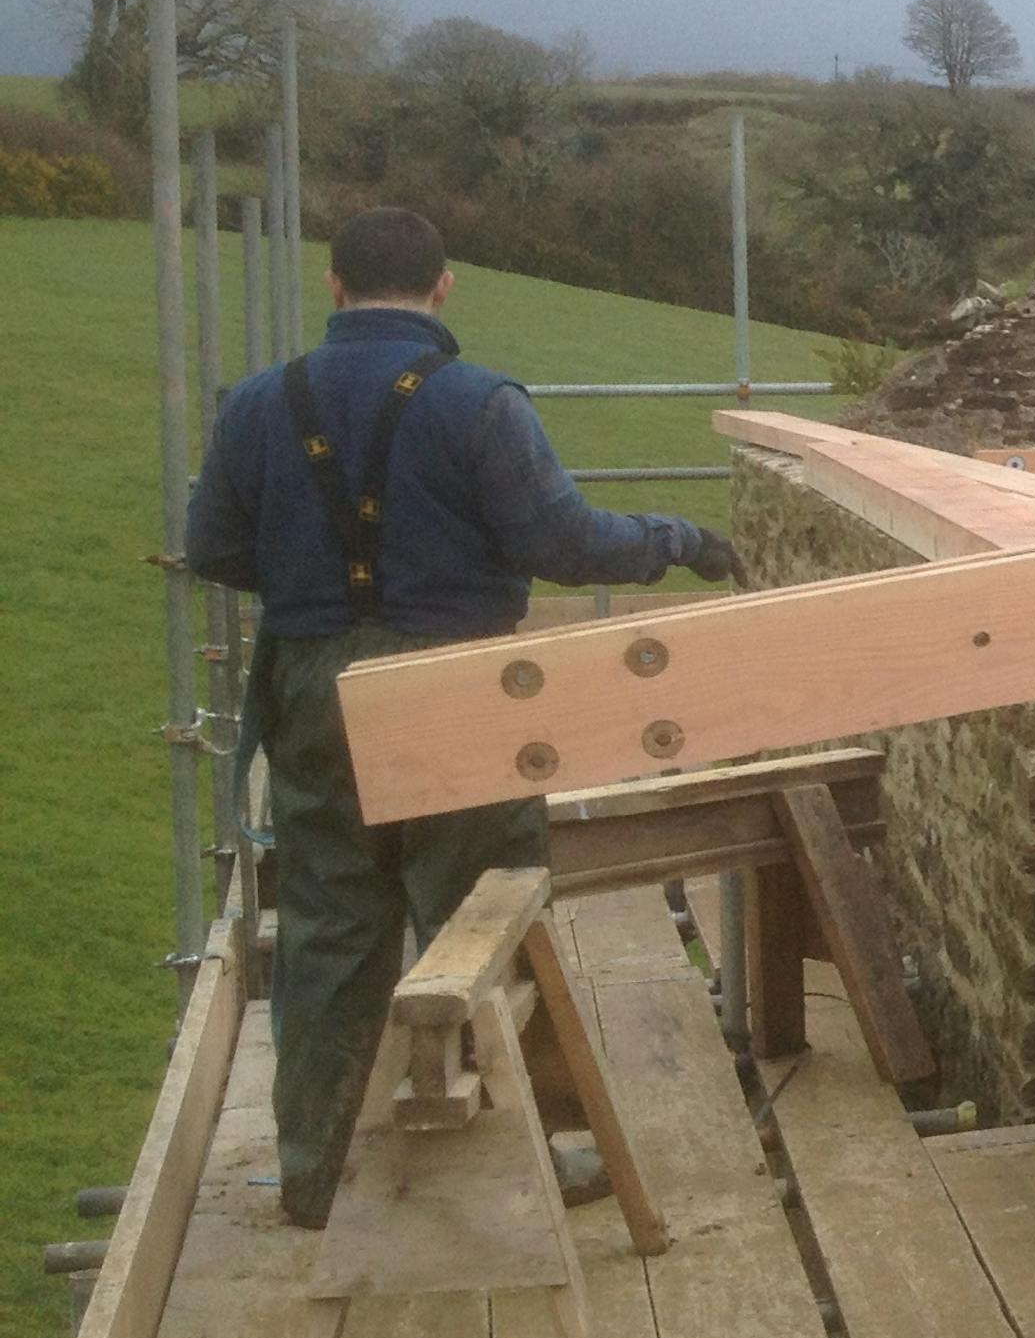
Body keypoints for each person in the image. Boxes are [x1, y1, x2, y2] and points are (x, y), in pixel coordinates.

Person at [189, 207, 738, 1224]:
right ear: (444, 288)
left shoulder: (260, 403)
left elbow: (214, 549)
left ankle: (312, 1176)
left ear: (333, 283)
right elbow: (565, 542)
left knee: (327, 932)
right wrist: (681, 537)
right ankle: (522, 1160)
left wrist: (317, 587)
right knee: (484, 919)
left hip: (316, 692)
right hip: (460, 689)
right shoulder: (480, 403)